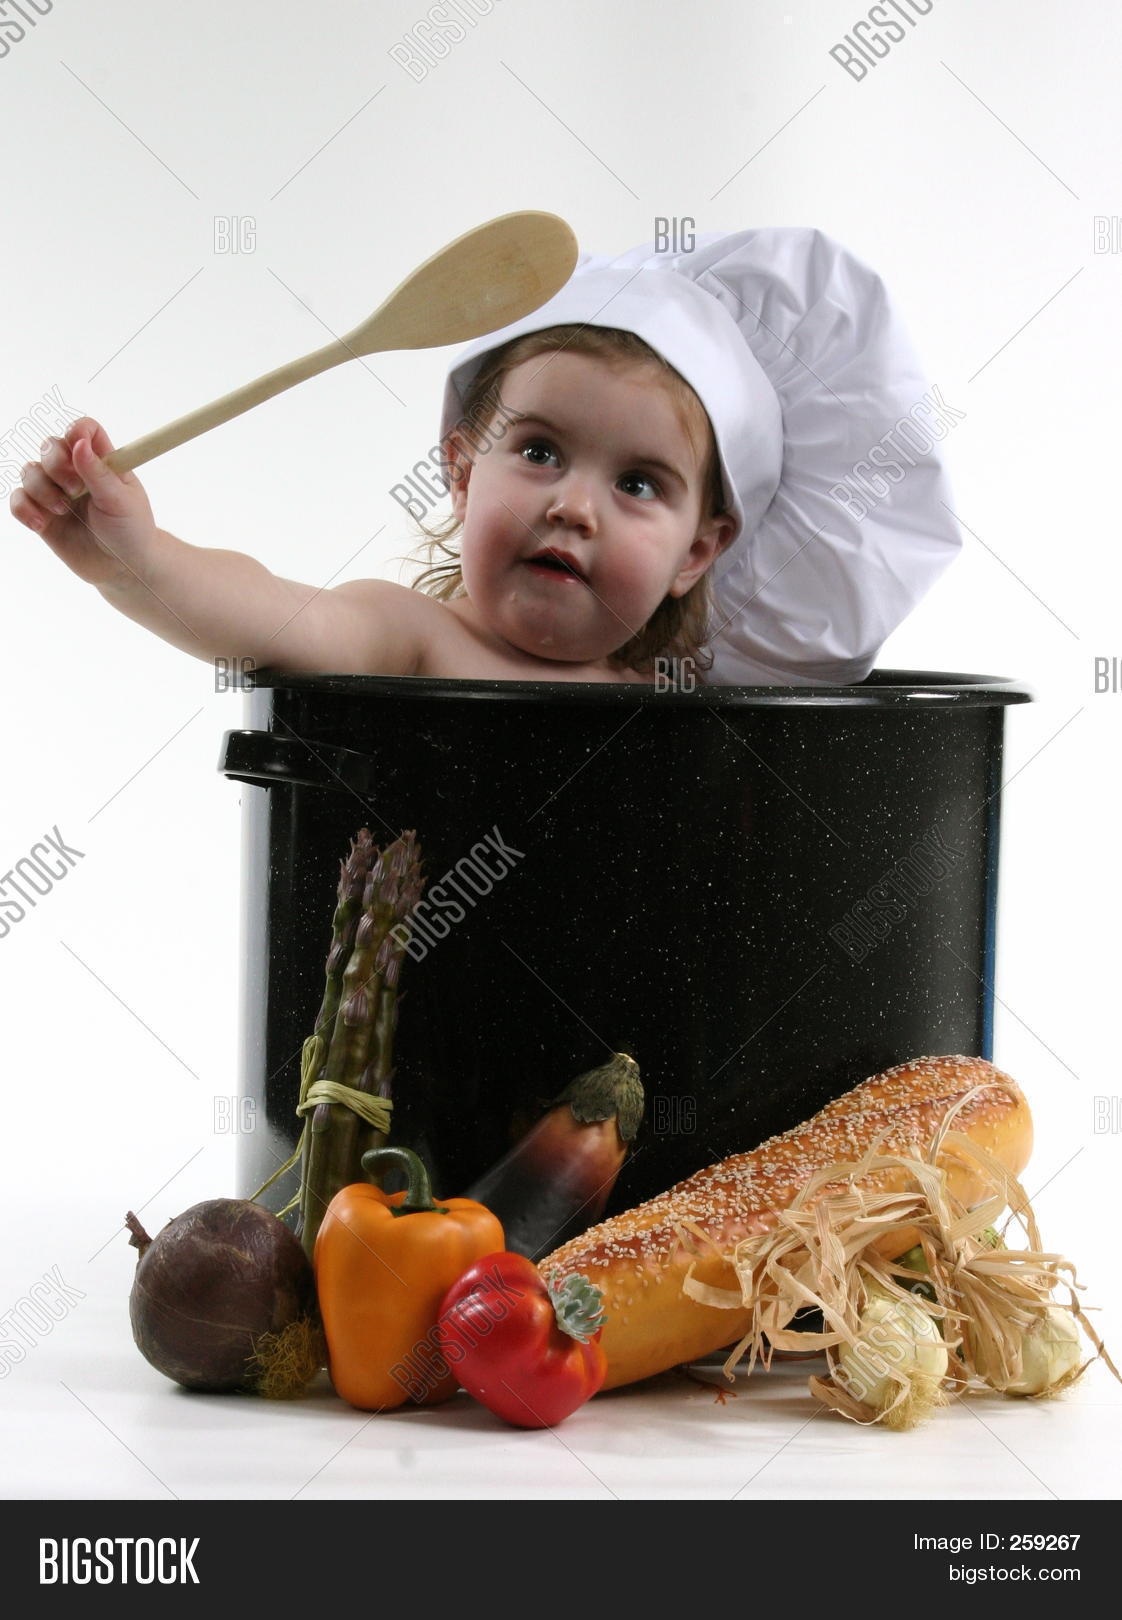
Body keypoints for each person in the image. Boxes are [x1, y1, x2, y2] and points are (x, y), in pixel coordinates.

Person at [11, 225, 962, 686]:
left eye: (638, 483)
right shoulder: (415, 639)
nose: (574, 507)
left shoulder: (666, 702)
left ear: (699, 552)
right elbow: (270, 614)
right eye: (541, 451)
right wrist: (137, 560)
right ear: (463, 474)